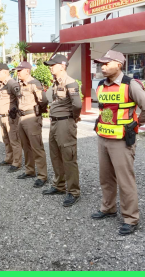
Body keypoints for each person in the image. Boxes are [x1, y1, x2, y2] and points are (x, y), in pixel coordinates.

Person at [91, 50, 145, 236]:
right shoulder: (101, 85)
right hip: (103, 137)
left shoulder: (130, 84)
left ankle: (131, 218)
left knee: (125, 180)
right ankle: (108, 208)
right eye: (101, 64)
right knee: (105, 177)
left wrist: (134, 126)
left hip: (121, 140)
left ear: (119, 64)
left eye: (106, 63)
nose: (102, 67)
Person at [41, 54, 82, 206]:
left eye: (53, 65)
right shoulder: (55, 82)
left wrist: (74, 118)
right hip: (55, 122)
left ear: (62, 66)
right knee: (55, 155)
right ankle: (59, 185)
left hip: (65, 122)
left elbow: (77, 105)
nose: (50, 67)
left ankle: (73, 191)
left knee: (68, 158)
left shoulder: (70, 82)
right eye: (50, 65)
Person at [11, 60, 47, 187]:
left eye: (20, 70)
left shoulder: (34, 83)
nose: (18, 72)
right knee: (26, 146)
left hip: (32, 117)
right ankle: (30, 170)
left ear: (27, 71)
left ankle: (42, 175)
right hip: (21, 118)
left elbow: (43, 100)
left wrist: (38, 113)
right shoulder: (20, 84)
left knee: (37, 147)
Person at [0, 63, 21, 169]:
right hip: (3, 116)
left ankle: (16, 162)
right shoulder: (3, 84)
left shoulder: (11, 83)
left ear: (5, 72)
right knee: (6, 139)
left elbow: (20, 98)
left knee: (14, 140)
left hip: (10, 117)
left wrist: (16, 111)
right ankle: (9, 158)